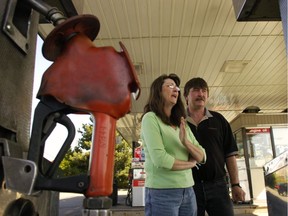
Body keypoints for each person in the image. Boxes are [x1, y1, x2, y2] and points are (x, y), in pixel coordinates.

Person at [140, 73, 206, 216]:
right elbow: (160, 159)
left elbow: (202, 155)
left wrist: (186, 142)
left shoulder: (181, 122)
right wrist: (191, 164)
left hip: (188, 190)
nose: (176, 89)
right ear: (158, 91)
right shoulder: (150, 118)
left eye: (176, 87)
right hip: (162, 193)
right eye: (170, 86)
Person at [183, 77, 246, 216]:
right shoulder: (178, 121)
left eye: (204, 90)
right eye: (196, 90)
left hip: (218, 187)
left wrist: (235, 185)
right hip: (189, 187)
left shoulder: (219, 120)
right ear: (186, 96)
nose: (201, 94)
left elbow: (230, 154)